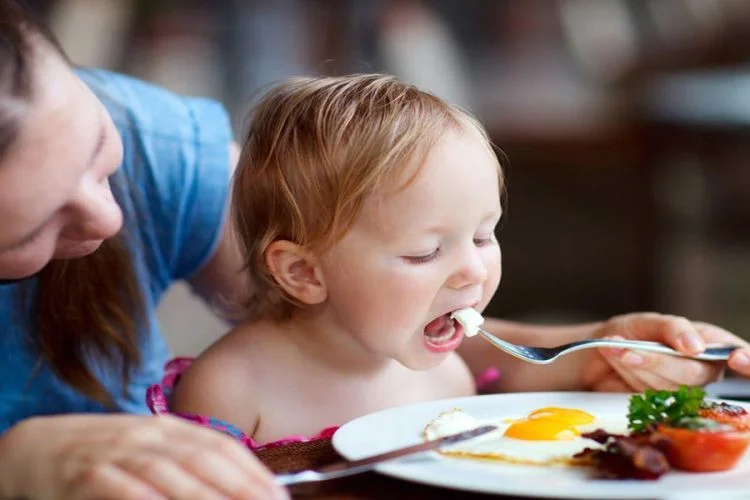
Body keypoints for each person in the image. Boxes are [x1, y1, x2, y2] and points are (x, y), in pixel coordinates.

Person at [151, 74, 750, 448]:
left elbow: (528, 365)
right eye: (425, 252)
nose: (471, 272)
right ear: (304, 273)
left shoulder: (439, 362)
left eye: (484, 237)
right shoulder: (231, 390)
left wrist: (624, 350)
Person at [0, 2, 288, 499]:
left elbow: (340, 321)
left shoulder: (154, 139)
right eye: (32, 231)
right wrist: (13, 466)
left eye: (97, 146)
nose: (110, 220)